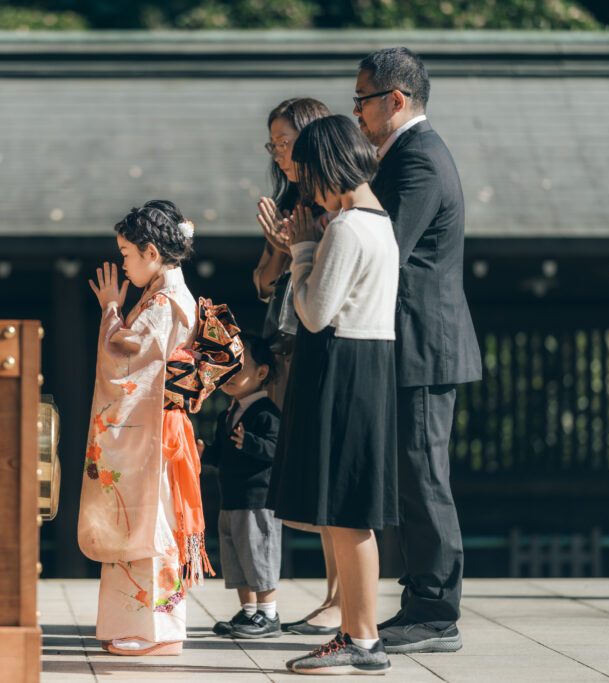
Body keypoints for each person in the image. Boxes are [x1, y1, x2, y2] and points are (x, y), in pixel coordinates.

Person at [353, 47, 482, 654]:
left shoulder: (418, 160)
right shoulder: (406, 155)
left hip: (424, 344)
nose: (357, 114)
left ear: (394, 101)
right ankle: (420, 601)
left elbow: (384, 247)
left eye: (362, 101)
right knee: (410, 474)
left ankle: (435, 610)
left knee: (423, 474)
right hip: (413, 341)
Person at [269, 114, 399, 675]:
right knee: (352, 512)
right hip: (370, 364)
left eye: (307, 175)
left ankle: (361, 638)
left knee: (346, 514)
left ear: (326, 168)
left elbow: (315, 313)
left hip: (342, 365)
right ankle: (355, 633)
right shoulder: (380, 222)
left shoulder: (346, 228)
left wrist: (301, 250)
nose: (305, 189)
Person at [78, 200, 211, 656]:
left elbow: (125, 359)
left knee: (151, 525)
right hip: (159, 427)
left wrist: (111, 309)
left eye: (127, 253)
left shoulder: (162, 303)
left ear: (152, 251)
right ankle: (152, 628)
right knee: (150, 525)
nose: (123, 262)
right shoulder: (165, 297)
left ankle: (162, 632)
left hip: (155, 432)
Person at [252, 97, 342, 637]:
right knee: (310, 472)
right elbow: (264, 283)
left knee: (330, 474)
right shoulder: (291, 200)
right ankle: (334, 597)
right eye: (274, 145)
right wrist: (280, 247)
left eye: (285, 142)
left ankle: (340, 598)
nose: (280, 154)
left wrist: (299, 242)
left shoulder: (333, 200)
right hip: (288, 342)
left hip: (325, 334)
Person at [197, 333, 282, 639]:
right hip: (230, 497)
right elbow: (222, 454)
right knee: (235, 558)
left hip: (258, 500)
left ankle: (268, 614)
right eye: (226, 365)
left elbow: (278, 451)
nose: (229, 372)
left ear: (261, 373)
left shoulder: (267, 413)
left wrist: (251, 443)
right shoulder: (227, 414)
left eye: (239, 365)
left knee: (259, 555)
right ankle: (248, 613)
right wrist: (206, 453)